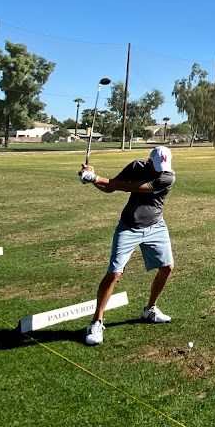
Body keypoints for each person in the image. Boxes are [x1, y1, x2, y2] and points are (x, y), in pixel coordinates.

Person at [79, 145, 176, 346]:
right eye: (156, 166)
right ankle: (96, 322)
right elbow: (112, 187)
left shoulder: (168, 176)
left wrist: (96, 178)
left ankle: (149, 310)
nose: (160, 169)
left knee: (167, 267)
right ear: (149, 162)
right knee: (114, 273)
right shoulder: (136, 166)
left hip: (156, 226)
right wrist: (91, 178)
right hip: (129, 226)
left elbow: (132, 187)